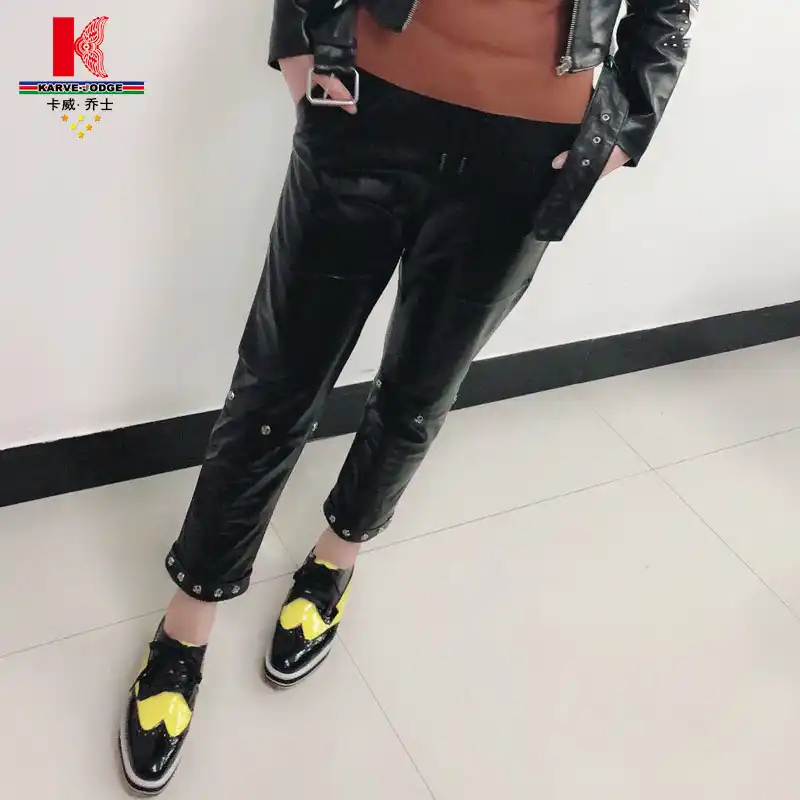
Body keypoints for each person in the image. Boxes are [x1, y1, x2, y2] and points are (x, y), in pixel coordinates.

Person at [118, 0, 697, 792]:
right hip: (367, 105)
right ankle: (188, 620)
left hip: (531, 148)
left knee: (420, 390)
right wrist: (299, 39)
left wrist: (626, 127)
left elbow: (669, 9)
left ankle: (335, 560)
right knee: (276, 384)